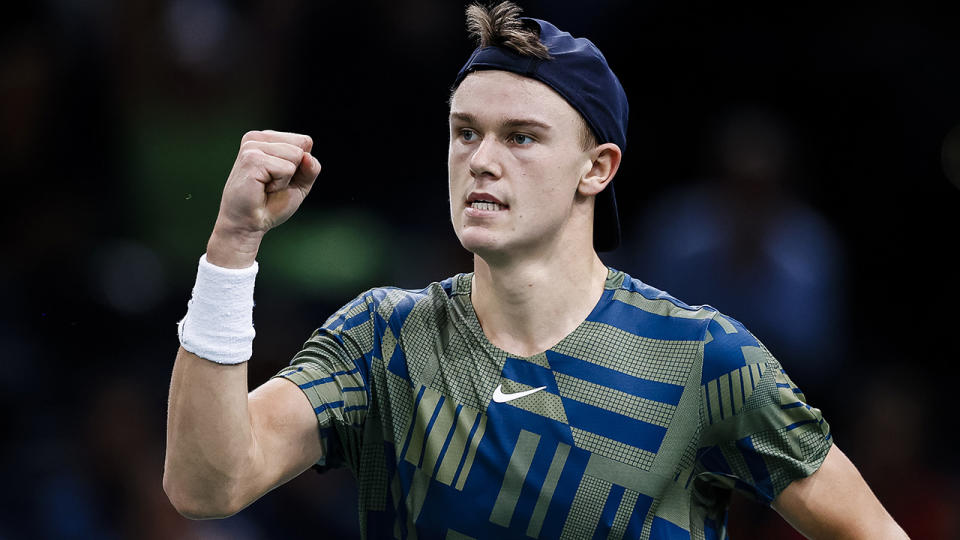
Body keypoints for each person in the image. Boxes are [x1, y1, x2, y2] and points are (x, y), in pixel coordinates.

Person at [163, 2, 907, 538]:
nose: (481, 160)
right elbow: (207, 485)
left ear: (597, 167)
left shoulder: (704, 358)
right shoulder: (380, 338)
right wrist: (232, 245)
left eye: (521, 137)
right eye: (465, 132)